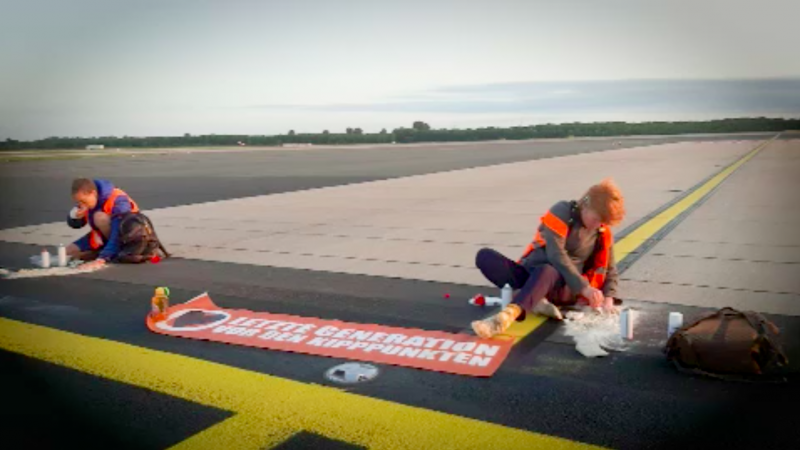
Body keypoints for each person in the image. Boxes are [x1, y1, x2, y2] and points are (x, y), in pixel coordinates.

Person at [471, 178, 625, 339]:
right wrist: (585, 287)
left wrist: (608, 297)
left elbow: (610, 268)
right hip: (531, 273)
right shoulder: (562, 212)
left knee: (547, 270)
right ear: (586, 204)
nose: (598, 225)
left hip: (563, 286)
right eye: (595, 219)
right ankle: (536, 299)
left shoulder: (601, 232)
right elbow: (556, 254)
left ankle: (506, 317)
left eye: (602, 222)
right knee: (485, 256)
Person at [66, 178, 140, 270]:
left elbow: (117, 232)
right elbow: (76, 224)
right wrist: (76, 216)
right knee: (68, 251)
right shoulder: (90, 200)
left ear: (93, 193)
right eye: (78, 202)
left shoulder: (118, 199)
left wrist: (103, 258)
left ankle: (110, 252)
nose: (81, 205)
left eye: (83, 201)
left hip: (127, 237)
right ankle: (99, 251)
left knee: (99, 217)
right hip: (101, 235)